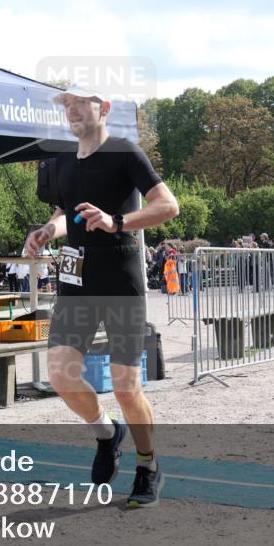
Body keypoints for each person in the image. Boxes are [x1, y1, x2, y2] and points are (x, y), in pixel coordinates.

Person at [24, 84, 179, 508]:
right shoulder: (62, 160)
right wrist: (47, 230)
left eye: (81, 103)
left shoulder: (124, 152)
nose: (72, 110)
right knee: (60, 374)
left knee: (126, 386)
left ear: (104, 107)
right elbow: (65, 213)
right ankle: (108, 433)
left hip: (121, 283)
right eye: (67, 104)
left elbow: (168, 205)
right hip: (77, 283)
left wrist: (116, 222)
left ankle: (148, 465)